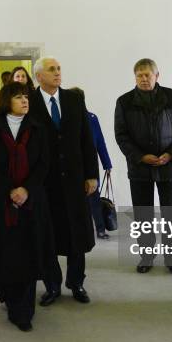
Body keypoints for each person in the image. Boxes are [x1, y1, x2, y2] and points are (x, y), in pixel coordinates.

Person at [0, 82, 53, 332]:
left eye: (26, 97)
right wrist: (10, 189)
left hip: (31, 201)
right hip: (0, 201)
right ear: (7, 101)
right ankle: (6, 291)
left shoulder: (38, 128)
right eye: (19, 97)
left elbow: (43, 164)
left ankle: (23, 311)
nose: (25, 101)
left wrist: (26, 189)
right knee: (5, 252)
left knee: (28, 253)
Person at [28, 57, 98, 306]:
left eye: (58, 69)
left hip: (75, 180)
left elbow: (86, 140)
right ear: (39, 76)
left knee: (76, 233)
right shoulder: (30, 102)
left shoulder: (73, 100)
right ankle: (52, 285)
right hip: (44, 182)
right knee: (48, 234)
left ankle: (76, 282)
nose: (57, 73)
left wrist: (92, 175)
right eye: (51, 70)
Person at [114, 58, 172, 274]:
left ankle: (171, 257)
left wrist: (171, 154)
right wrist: (140, 156)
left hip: (168, 166)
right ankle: (146, 255)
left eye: (148, 75)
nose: (144, 79)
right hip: (140, 168)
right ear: (135, 77)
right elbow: (122, 136)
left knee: (169, 212)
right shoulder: (124, 102)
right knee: (143, 213)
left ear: (157, 75)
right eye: (140, 75)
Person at [69, 87, 113, 240]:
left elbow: (100, 142)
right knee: (75, 200)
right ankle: (78, 229)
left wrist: (107, 164)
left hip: (90, 165)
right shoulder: (65, 118)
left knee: (94, 200)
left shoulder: (92, 118)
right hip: (72, 166)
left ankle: (100, 229)